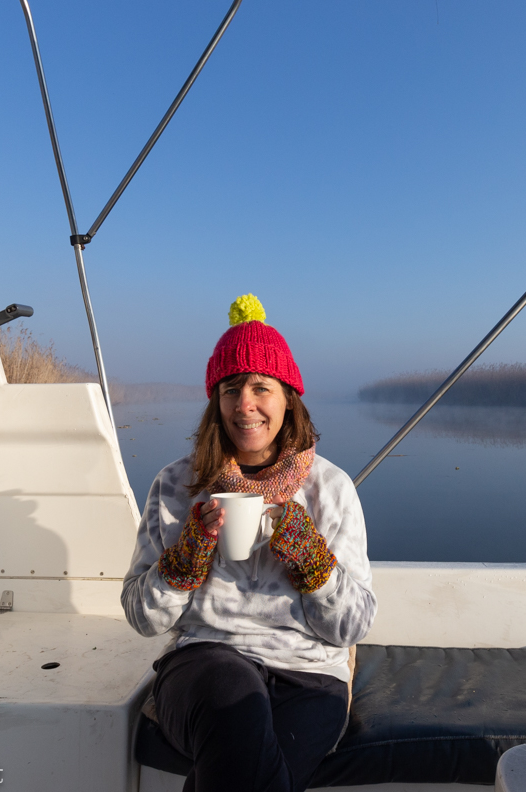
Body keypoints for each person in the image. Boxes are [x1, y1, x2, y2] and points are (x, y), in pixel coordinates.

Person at [122, 294, 377, 792]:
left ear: (288, 398)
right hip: (205, 662)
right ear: (215, 403)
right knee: (233, 697)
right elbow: (141, 616)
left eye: (262, 387)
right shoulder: (176, 486)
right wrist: (183, 563)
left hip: (309, 675)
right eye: (231, 388)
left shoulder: (331, 488)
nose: (246, 404)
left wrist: (315, 565)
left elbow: (354, 624)